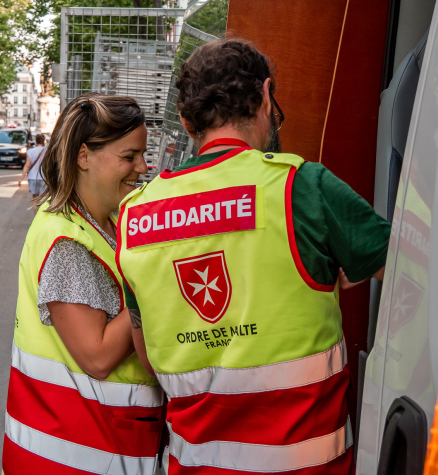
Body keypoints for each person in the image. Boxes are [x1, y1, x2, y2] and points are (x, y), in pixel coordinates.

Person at [116, 39, 391, 474]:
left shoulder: (135, 216)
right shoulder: (301, 186)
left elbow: (148, 355)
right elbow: (405, 265)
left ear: (188, 123)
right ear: (265, 96)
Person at [2, 94, 164, 474]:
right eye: (129, 156)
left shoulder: (104, 220)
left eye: (142, 154)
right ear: (83, 156)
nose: (142, 166)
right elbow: (98, 356)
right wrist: (155, 278)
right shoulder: (66, 243)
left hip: (96, 446)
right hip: (75, 455)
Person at [21, 134, 47, 198]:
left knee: (35, 198)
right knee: (43, 198)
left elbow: (27, 165)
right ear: (44, 141)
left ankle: (36, 208)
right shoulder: (47, 151)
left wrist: (21, 178)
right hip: (44, 177)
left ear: (35, 141)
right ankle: (42, 208)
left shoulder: (30, 151)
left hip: (32, 177)